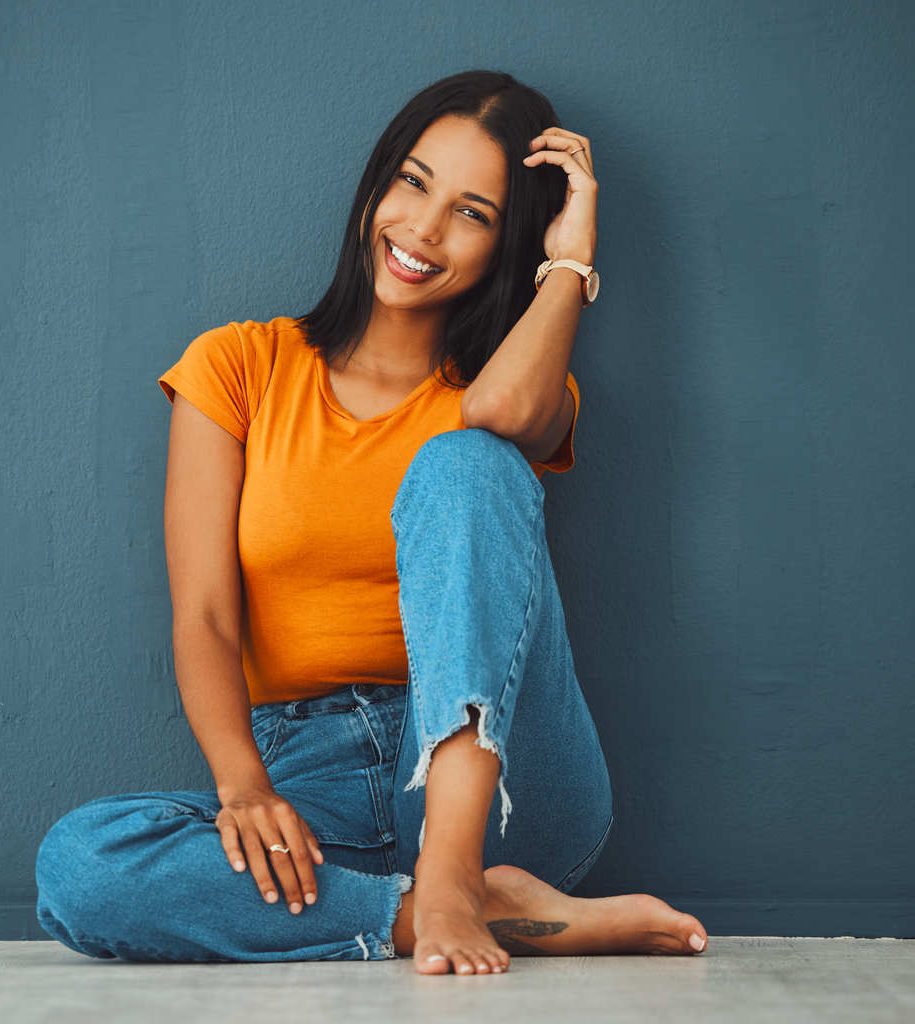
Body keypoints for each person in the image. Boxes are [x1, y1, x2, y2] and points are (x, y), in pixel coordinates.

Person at [35, 70, 708, 975]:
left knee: (464, 460)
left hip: (511, 785)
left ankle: (458, 870)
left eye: (474, 213)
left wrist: (573, 256)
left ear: (510, 242)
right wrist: (241, 787)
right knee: (79, 864)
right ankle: (454, 909)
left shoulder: (516, 390)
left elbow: (501, 411)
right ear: (376, 186)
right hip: (314, 785)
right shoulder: (241, 365)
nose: (424, 232)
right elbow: (204, 615)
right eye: (414, 184)